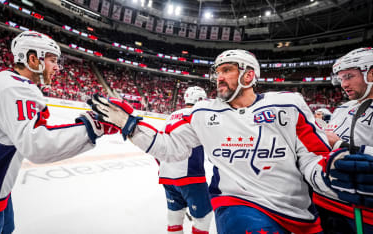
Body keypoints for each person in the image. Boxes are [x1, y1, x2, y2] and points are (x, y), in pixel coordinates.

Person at [90, 49, 345, 234]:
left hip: (299, 212)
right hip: (236, 203)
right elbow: (170, 148)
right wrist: (130, 126)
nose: (218, 77)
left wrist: (334, 175)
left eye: (227, 70)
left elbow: (313, 158)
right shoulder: (202, 112)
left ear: (248, 76)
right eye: (218, 72)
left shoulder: (288, 105)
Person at [0, 31, 117, 233]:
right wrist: (94, 125)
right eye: (52, 60)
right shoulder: (17, 89)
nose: (57, 67)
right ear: (32, 59)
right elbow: (37, 145)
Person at [313, 47, 373, 233]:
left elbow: (338, 142)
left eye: (348, 76)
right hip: (321, 201)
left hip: (360, 211)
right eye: (341, 78)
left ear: (371, 73)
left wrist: (341, 145)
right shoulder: (343, 107)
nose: (343, 84)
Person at [158, 86, 212, 234]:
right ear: (200, 100)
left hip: (167, 175)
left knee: (174, 219)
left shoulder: (171, 116)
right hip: (190, 176)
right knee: (204, 217)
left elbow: (158, 146)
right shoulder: (197, 115)